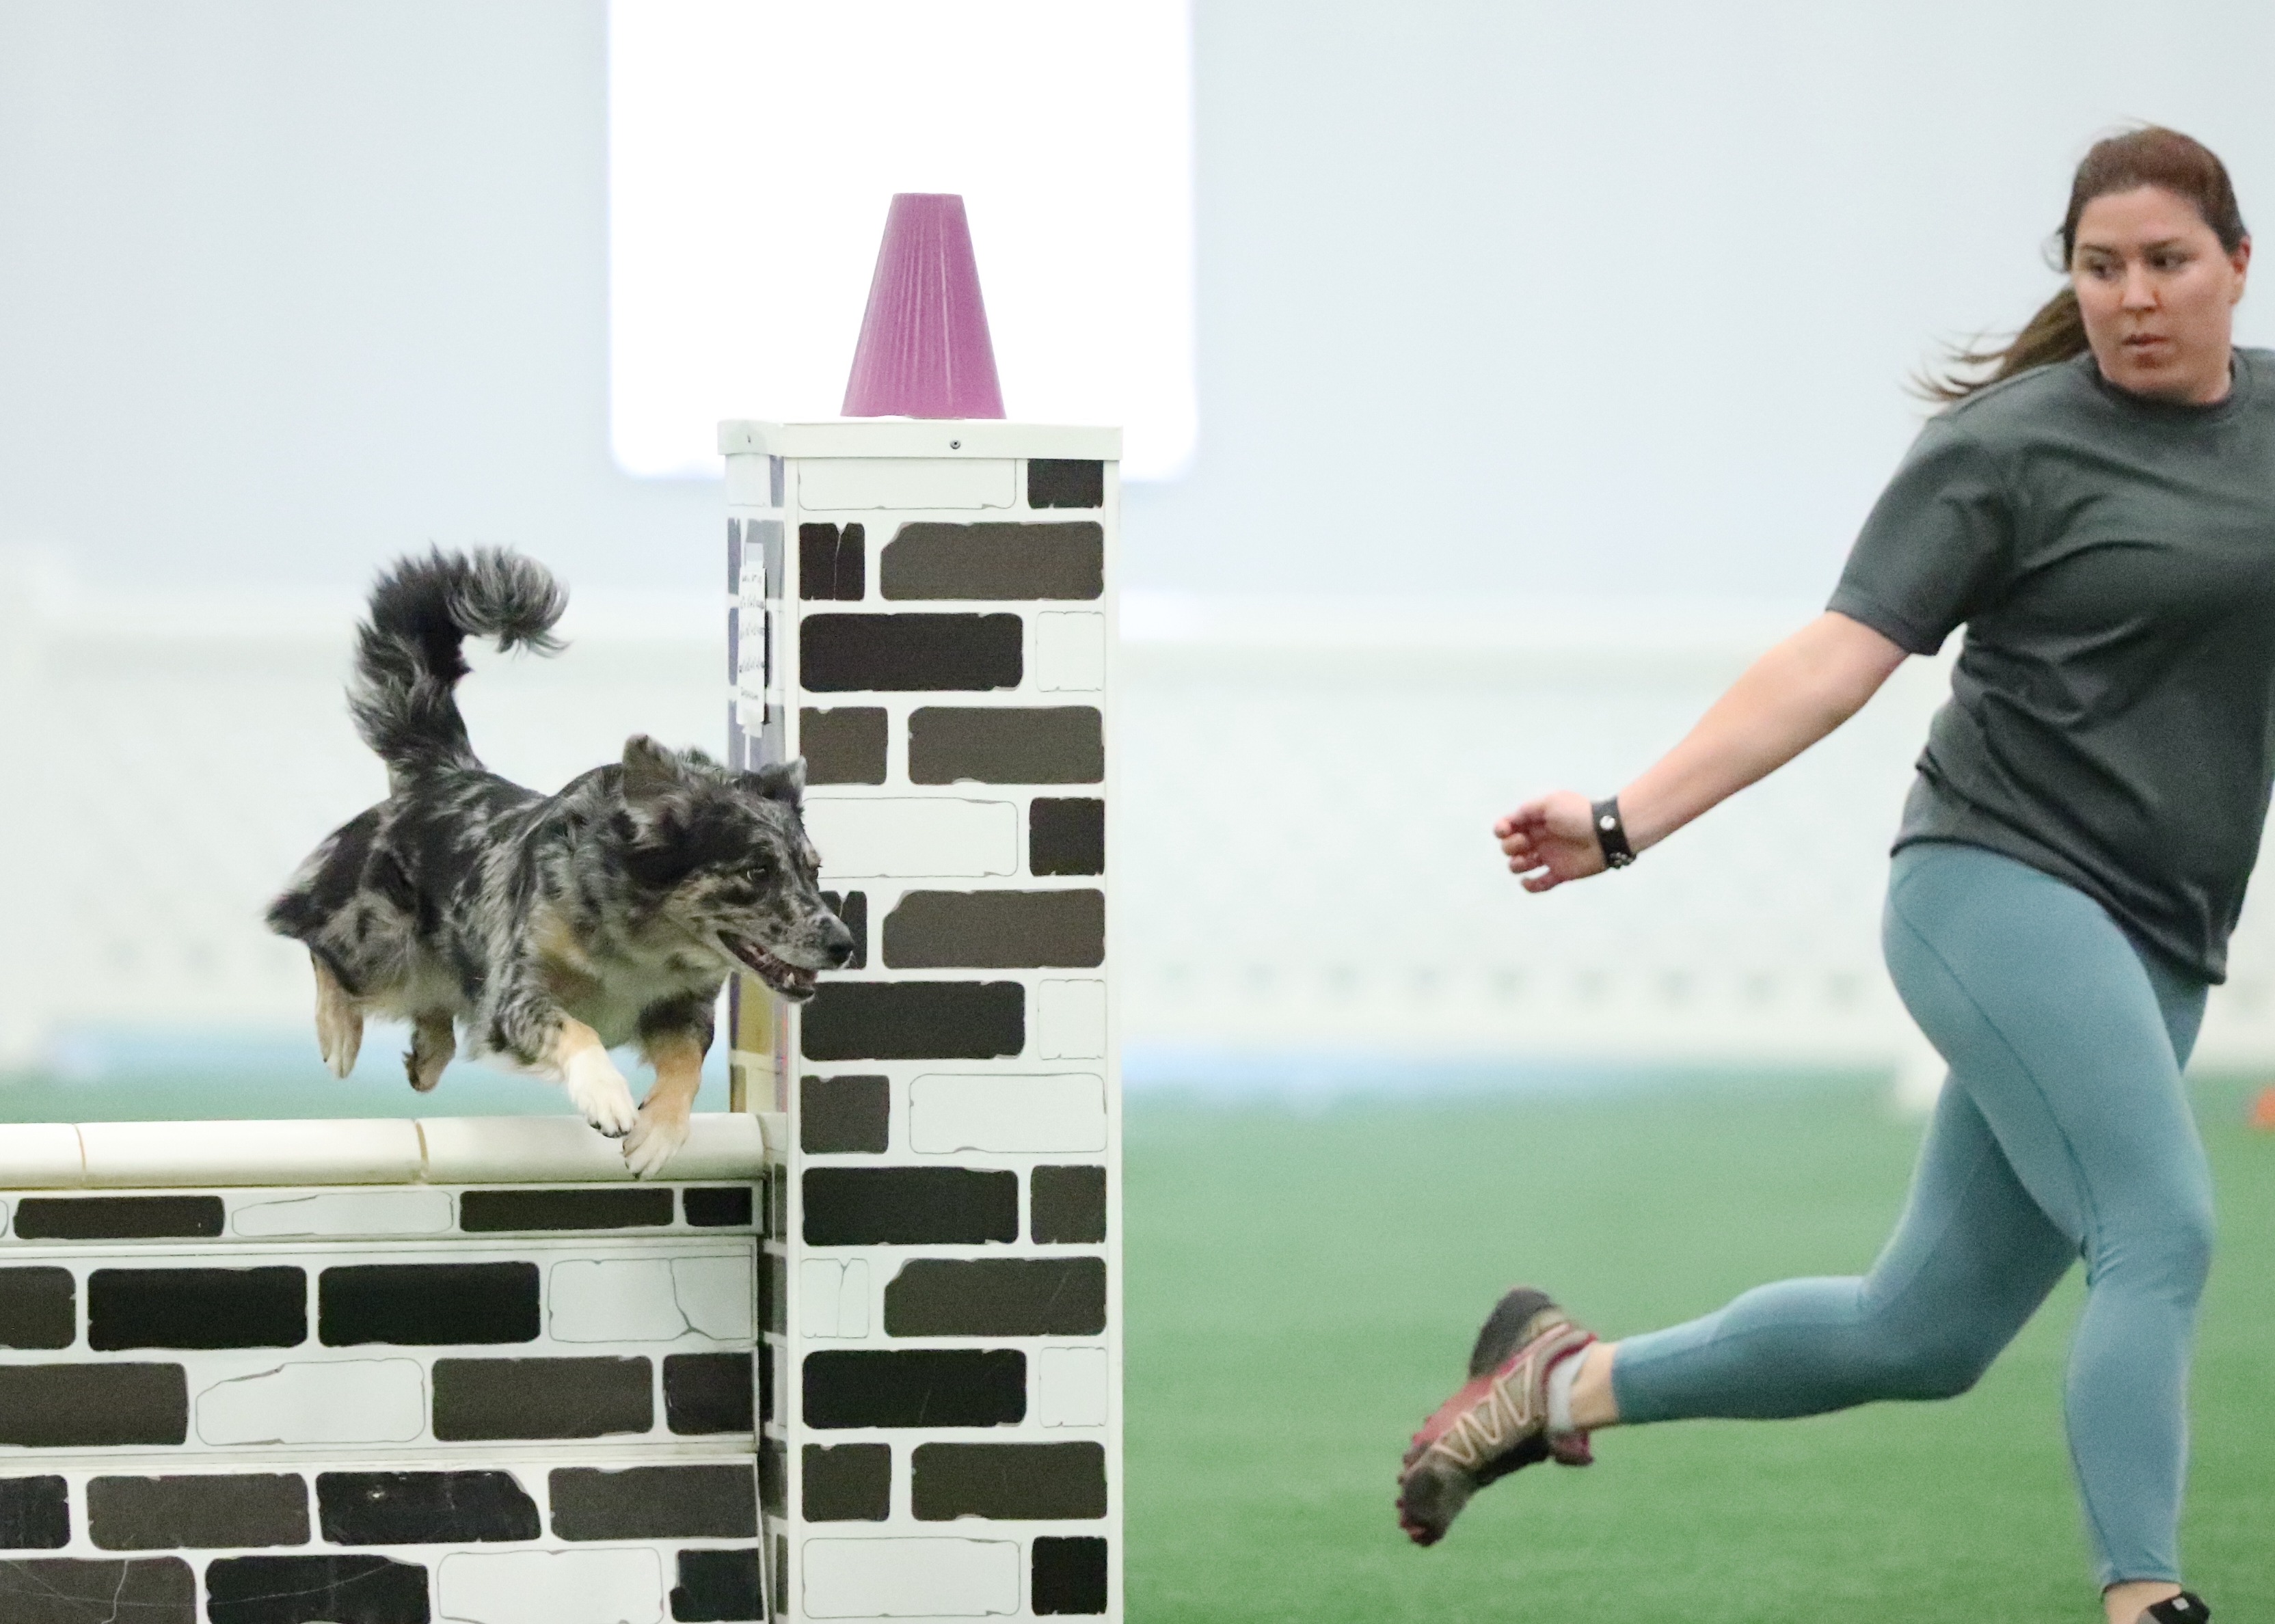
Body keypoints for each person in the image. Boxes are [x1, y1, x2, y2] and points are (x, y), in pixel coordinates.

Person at [1395, 126, 2259, 1624]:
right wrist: (1619, 820)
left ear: (2234, 270)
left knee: (1917, 1333)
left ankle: (1556, 1385)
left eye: (2165, 263)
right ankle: (2144, 1599)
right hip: (1993, 887)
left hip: (2160, 935)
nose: (2130, 294)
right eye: (2097, 265)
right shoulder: (2000, 452)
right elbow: (1828, 664)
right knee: (2159, 1226)